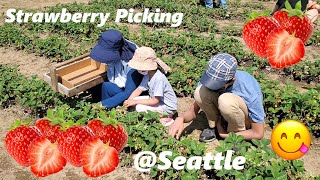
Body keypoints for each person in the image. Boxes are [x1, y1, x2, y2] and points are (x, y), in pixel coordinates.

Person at [169, 53, 265, 141]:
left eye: (216, 84)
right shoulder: (211, 76)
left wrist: (224, 135)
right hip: (223, 115)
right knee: (200, 91)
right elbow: (193, 111)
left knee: (226, 100)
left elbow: (258, 133)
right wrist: (180, 119)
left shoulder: (248, 87)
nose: (211, 85)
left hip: (242, 119)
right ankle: (214, 126)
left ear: (231, 81)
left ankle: (234, 134)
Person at [89, 30, 143, 109]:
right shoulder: (120, 45)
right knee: (106, 86)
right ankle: (105, 110)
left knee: (108, 90)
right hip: (119, 88)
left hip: (130, 95)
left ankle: (109, 110)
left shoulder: (132, 64)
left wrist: (101, 105)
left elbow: (128, 92)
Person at [123, 47, 178, 125]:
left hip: (167, 107)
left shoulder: (159, 78)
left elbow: (155, 100)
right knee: (135, 100)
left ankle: (166, 118)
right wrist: (128, 102)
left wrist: (135, 102)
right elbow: (139, 89)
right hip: (159, 101)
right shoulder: (148, 75)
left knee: (139, 107)